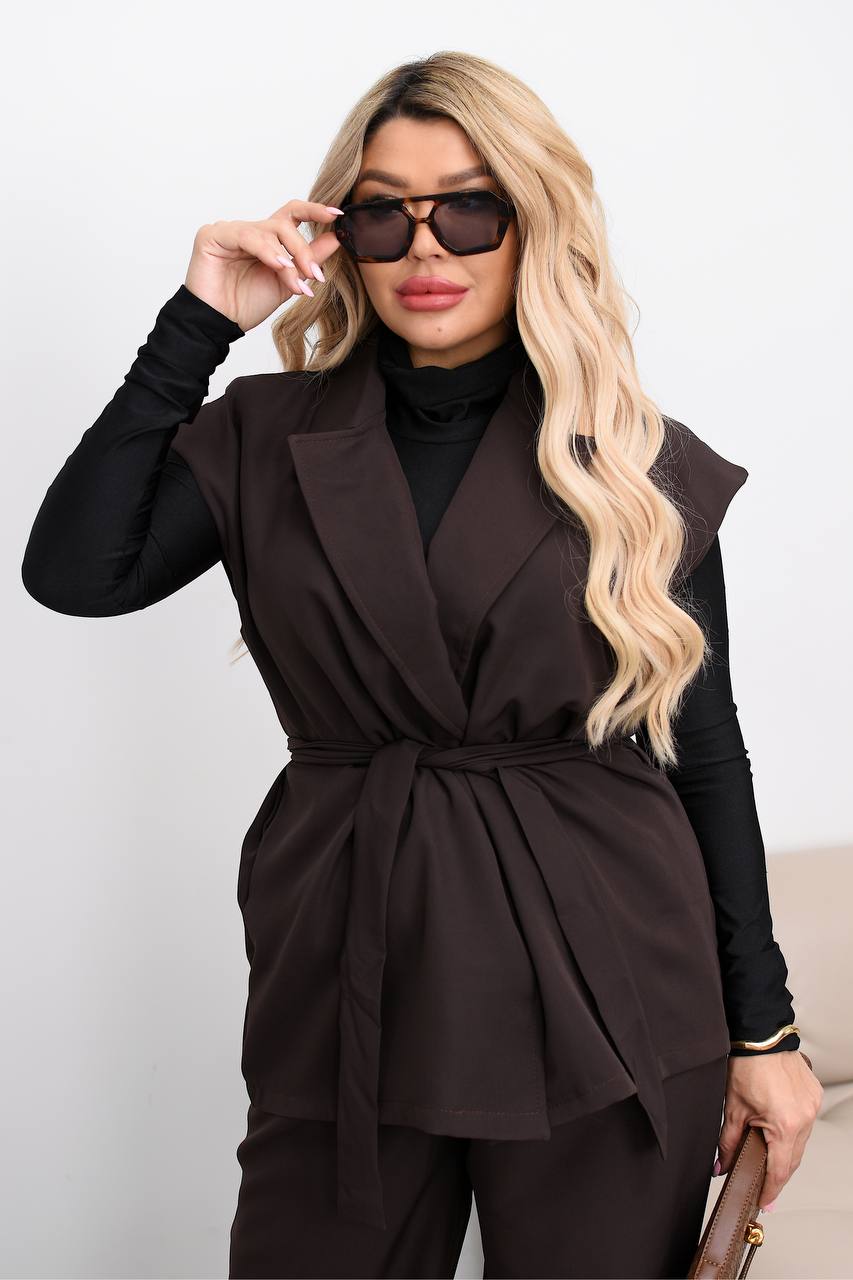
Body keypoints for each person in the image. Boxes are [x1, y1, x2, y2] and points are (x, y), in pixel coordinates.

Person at [21, 50, 822, 1280]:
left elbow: (704, 752)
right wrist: (197, 323)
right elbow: (78, 571)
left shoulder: (629, 459)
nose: (424, 247)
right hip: (349, 952)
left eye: (469, 208)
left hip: (606, 965)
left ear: (532, 222)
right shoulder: (266, 436)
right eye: (383, 214)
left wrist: (763, 1030)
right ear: (342, 235)